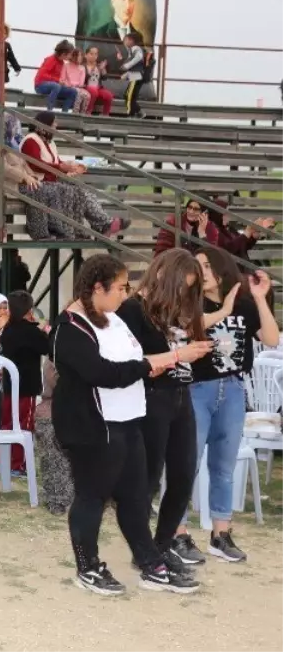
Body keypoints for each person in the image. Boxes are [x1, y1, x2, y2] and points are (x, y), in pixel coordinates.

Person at [51, 254, 207, 595]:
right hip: (93, 426)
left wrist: (166, 359)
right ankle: (88, 567)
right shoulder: (70, 327)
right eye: (120, 288)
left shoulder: (112, 320)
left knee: (136, 496)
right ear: (97, 287)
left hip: (127, 421)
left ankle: (150, 561)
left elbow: (136, 362)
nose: (125, 295)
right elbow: (103, 373)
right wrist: (172, 358)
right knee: (92, 496)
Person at [168, 249, 278, 565]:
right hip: (195, 389)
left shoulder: (244, 304)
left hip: (232, 389)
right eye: (196, 266)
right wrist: (224, 309)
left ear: (221, 268)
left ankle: (221, 533)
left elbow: (270, 338)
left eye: (205, 265)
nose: (200, 271)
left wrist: (259, 298)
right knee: (186, 463)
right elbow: (188, 330)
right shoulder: (189, 304)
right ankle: (178, 533)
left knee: (224, 466)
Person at [116, 250, 212, 575]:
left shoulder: (178, 311)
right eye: (182, 288)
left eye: (190, 290)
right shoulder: (132, 309)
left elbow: (186, 353)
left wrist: (196, 351)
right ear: (163, 276)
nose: (185, 296)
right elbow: (132, 362)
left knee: (185, 474)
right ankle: (145, 552)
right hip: (151, 398)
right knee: (148, 478)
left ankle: (160, 545)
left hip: (181, 395)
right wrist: (177, 354)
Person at [20, 111, 128, 239]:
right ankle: (74, 230)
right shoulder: (31, 140)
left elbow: (56, 162)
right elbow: (35, 164)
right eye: (54, 123)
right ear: (45, 126)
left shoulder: (49, 143)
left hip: (50, 181)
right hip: (34, 182)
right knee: (69, 191)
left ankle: (103, 224)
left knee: (81, 190)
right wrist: (60, 167)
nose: (56, 126)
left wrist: (71, 168)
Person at [0, 291, 48, 476]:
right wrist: (42, 327)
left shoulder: (8, 330)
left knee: (8, 423)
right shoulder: (31, 331)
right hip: (27, 387)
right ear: (29, 309)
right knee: (24, 426)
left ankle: (2, 459)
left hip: (10, 386)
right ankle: (18, 464)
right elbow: (46, 346)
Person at [33, 354, 73, 515]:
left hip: (85, 410)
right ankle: (57, 498)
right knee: (52, 434)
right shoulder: (55, 357)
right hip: (53, 408)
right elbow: (60, 385)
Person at [33, 40, 79, 111]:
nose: (71, 56)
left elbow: (59, 78)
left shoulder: (62, 63)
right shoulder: (51, 60)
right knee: (56, 86)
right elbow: (42, 75)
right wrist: (57, 80)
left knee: (73, 91)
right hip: (41, 86)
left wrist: (63, 83)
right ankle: (49, 110)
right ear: (64, 54)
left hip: (54, 86)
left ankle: (64, 112)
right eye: (70, 54)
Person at [115, 31, 147, 116]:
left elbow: (138, 58)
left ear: (131, 40)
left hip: (136, 76)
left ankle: (130, 114)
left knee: (129, 96)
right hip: (133, 76)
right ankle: (139, 112)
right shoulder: (131, 51)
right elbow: (130, 62)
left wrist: (127, 66)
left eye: (126, 40)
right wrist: (122, 60)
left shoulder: (136, 48)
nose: (124, 42)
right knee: (127, 95)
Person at [82, 47, 114, 116]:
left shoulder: (98, 66)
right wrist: (92, 70)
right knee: (93, 91)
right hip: (86, 87)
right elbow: (83, 79)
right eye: (91, 54)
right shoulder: (83, 66)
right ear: (85, 55)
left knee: (109, 95)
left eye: (96, 54)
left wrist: (103, 69)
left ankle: (105, 114)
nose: (94, 56)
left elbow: (105, 78)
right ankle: (88, 112)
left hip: (98, 88)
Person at [61, 49, 93, 114]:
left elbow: (81, 82)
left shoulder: (82, 68)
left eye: (81, 55)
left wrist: (76, 85)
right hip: (68, 87)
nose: (81, 57)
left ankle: (82, 114)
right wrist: (69, 84)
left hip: (78, 87)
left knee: (88, 95)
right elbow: (62, 79)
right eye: (79, 55)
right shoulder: (66, 65)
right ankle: (75, 113)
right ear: (74, 56)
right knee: (78, 94)